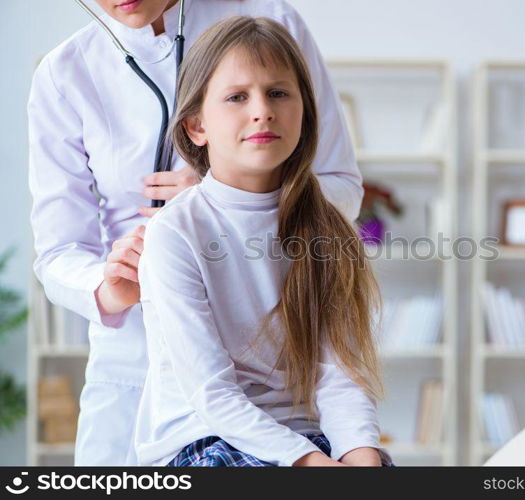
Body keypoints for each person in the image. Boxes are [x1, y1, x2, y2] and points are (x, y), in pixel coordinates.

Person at [27, 0, 362, 466]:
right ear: (195, 126)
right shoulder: (66, 72)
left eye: (274, 95)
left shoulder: (271, 20)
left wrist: (225, 194)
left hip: (280, 378)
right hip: (137, 359)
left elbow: (340, 187)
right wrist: (107, 288)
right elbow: (59, 251)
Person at [134, 15, 392, 467]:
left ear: (304, 113)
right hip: (206, 438)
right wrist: (313, 465)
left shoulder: (329, 229)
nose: (262, 110)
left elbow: (340, 377)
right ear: (197, 125)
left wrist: (361, 456)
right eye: (237, 97)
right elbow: (212, 394)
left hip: (306, 436)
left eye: (278, 93)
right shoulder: (175, 232)